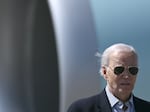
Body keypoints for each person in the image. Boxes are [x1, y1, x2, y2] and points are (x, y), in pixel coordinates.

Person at [67, 43, 150, 112]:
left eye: (133, 70)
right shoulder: (81, 109)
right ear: (105, 72)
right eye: (119, 69)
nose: (126, 75)